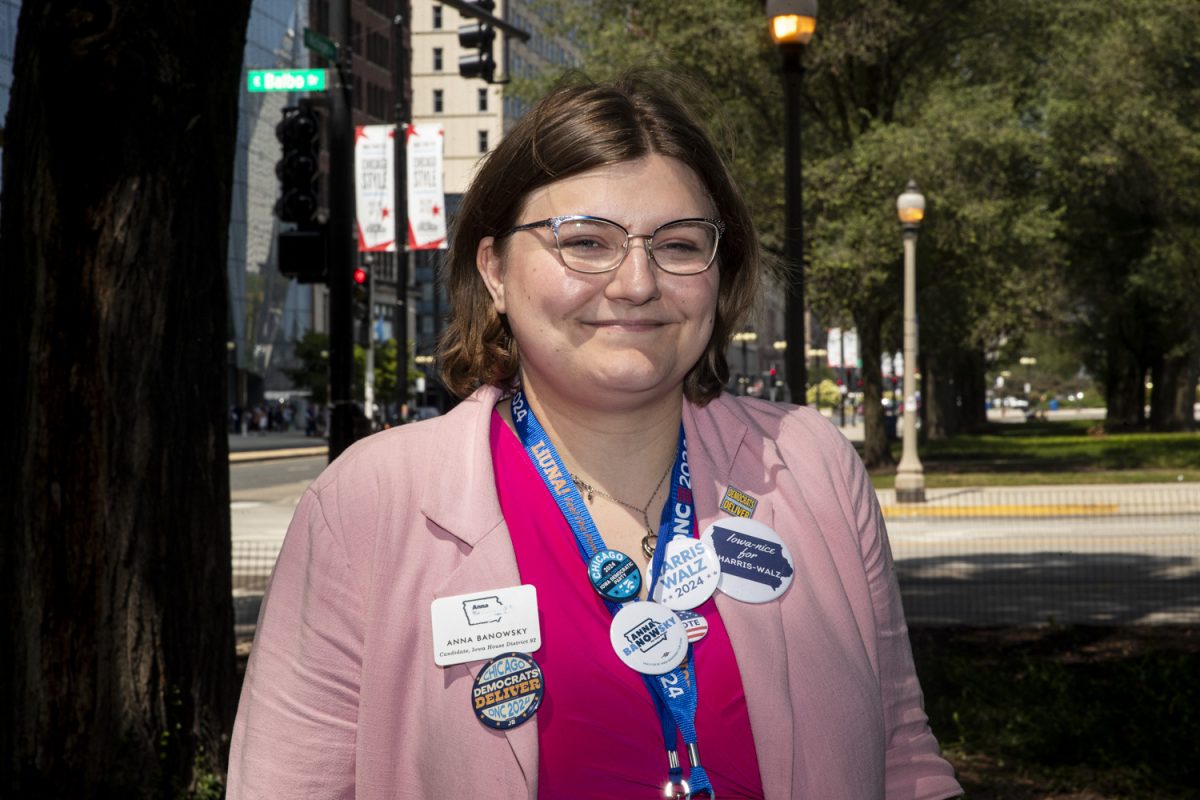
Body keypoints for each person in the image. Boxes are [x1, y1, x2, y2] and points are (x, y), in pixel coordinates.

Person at [228, 73, 963, 800]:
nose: (636, 282)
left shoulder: (814, 467)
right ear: (494, 270)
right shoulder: (367, 505)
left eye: (678, 245)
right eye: (584, 241)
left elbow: (902, 757)